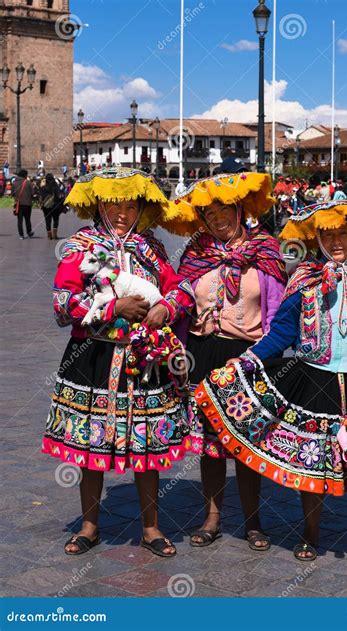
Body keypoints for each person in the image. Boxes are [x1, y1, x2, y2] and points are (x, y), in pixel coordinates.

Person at [195, 199, 347, 566]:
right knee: (313, 461)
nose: (335, 242)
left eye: (343, 233)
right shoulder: (306, 277)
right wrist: (250, 359)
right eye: (327, 234)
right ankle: (311, 532)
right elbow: (283, 329)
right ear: (316, 237)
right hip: (315, 378)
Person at [42, 167, 195, 557]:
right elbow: (62, 304)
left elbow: (181, 288)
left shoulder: (151, 248)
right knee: (90, 444)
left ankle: (151, 526)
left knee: (146, 446)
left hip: (143, 360)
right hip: (93, 357)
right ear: (99, 205)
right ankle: (89, 526)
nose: (123, 213)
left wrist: (165, 306)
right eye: (114, 204)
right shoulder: (81, 246)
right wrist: (114, 307)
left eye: (130, 205)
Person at [161, 171, 287, 551]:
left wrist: (267, 357)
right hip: (203, 354)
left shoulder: (265, 250)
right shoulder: (197, 252)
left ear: (239, 209)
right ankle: (212, 518)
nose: (217, 219)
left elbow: (279, 312)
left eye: (223, 211)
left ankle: (253, 522)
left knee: (248, 444)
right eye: (209, 214)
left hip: (248, 356)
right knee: (210, 446)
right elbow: (181, 296)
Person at [39, 173, 64, 239]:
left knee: (47, 220)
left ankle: (49, 234)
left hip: (46, 206)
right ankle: (55, 234)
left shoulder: (43, 187)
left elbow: (41, 196)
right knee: (56, 219)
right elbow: (59, 196)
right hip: (55, 206)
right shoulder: (56, 186)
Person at [12, 169, 35, 239]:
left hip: (18, 204)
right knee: (27, 219)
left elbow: (12, 193)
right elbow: (32, 193)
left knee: (19, 220)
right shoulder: (28, 183)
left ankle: (21, 235)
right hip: (27, 204)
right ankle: (29, 232)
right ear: (25, 175)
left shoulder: (14, 183)